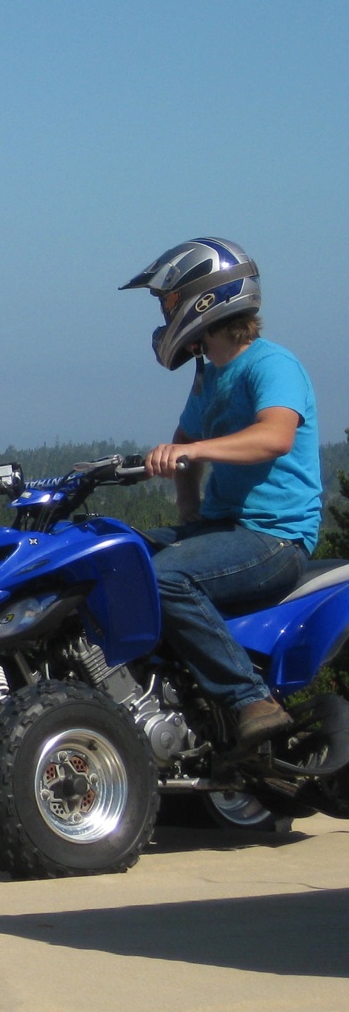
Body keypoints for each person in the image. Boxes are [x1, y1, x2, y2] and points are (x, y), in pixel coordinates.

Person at [124, 237, 323, 748]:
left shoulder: (271, 364)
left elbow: (275, 436)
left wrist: (192, 453)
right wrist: (188, 506)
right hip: (221, 529)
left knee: (165, 578)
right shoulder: (210, 377)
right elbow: (185, 444)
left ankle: (248, 698)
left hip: (274, 537)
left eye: (170, 300)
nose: (166, 313)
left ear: (206, 298)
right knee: (112, 558)